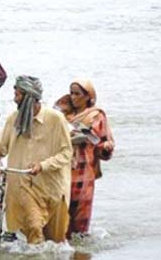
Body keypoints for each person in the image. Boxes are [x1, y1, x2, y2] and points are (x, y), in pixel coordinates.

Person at [0, 76, 72, 244]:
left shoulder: (56, 119)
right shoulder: (13, 119)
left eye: (18, 95)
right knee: (33, 226)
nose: (15, 99)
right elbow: (1, 147)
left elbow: (66, 153)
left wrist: (43, 165)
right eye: (15, 94)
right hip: (23, 185)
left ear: (30, 97)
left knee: (55, 239)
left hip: (50, 185)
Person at [54, 79, 115, 238]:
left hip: (83, 171)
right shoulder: (65, 113)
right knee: (59, 211)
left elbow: (98, 142)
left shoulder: (95, 116)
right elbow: (51, 122)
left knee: (80, 217)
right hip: (62, 167)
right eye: (71, 93)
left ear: (88, 96)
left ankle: (80, 251)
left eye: (78, 94)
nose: (73, 97)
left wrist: (106, 147)